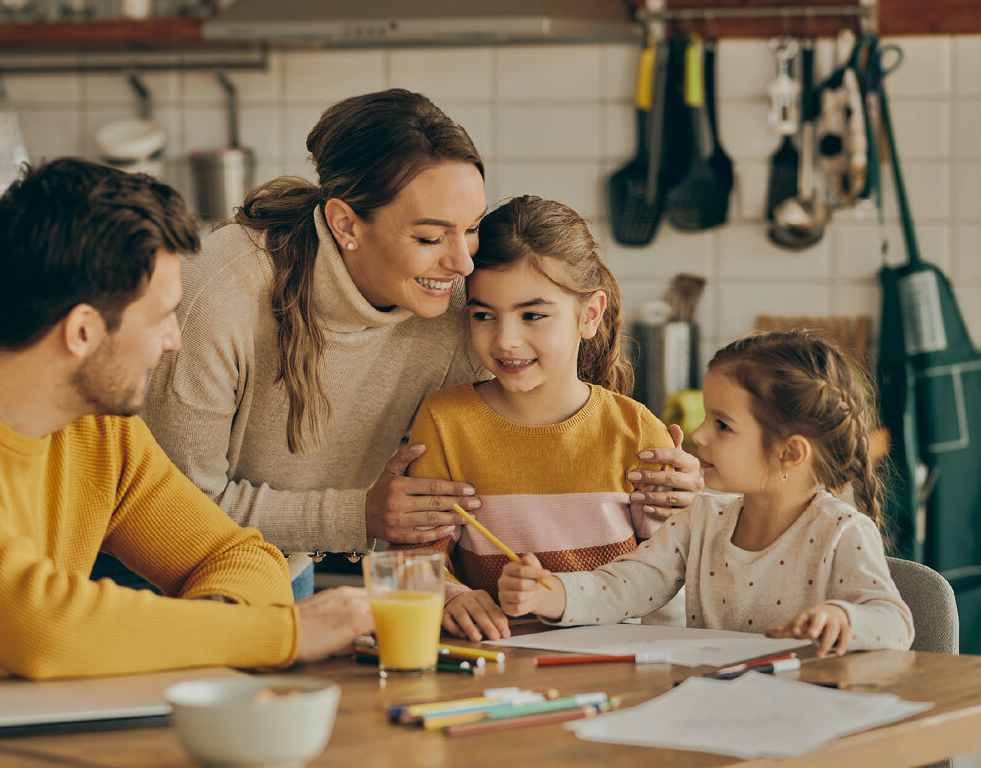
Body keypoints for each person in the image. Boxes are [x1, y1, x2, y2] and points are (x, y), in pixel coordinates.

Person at [0, 158, 372, 680]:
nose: (173, 341)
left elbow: (239, 557)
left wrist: (213, 626)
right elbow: (44, 629)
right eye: (162, 316)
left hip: (20, 732)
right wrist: (286, 633)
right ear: (83, 332)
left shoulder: (95, 421)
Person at [140, 89, 704, 599]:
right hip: (143, 571)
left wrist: (673, 490)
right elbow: (174, 507)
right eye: (431, 237)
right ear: (345, 224)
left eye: (471, 228)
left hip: (273, 567)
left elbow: (548, 448)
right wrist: (358, 513)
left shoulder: (465, 307)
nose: (462, 263)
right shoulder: (220, 296)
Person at [498, 330, 914, 657]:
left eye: (723, 425)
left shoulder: (841, 531)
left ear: (790, 453)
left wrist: (843, 618)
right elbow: (627, 584)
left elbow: (894, 621)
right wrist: (549, 594)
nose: (699, 434)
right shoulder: (701, 520)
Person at [391, 196, 683, 642]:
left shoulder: (637, 431)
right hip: (490, 664)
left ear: (589, 315)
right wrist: (450, 596)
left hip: (616, 665)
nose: (506, 340)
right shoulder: (445, 420)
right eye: (484, 315)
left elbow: (671, 570)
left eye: (533, 315)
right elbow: (415, 554)